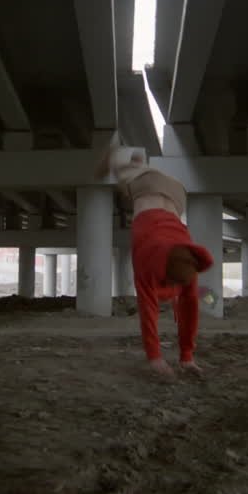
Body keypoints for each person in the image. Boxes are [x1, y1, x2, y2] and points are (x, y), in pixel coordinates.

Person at [97, 141, 213, 380]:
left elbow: (183, 309)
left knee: (137, 178)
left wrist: (185, 357)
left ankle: (135, 162)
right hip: (166, 193)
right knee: (126, 184)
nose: (172, 289)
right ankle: (122, 162)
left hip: (171, 192)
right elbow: (150, 310)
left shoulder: (185, 264)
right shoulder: (154, 263)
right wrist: (158, 358)